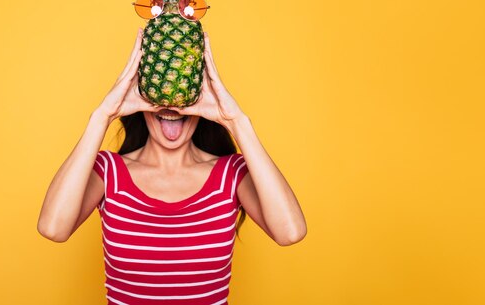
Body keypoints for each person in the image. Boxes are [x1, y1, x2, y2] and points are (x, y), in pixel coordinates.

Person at [37, 28, 307, 304]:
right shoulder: (109, 172)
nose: (170, 106)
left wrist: (236, 120)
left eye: (180, 89)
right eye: (160, 89)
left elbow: (290, 232)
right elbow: (53, 228)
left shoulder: (231, 173)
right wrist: (103, 115)